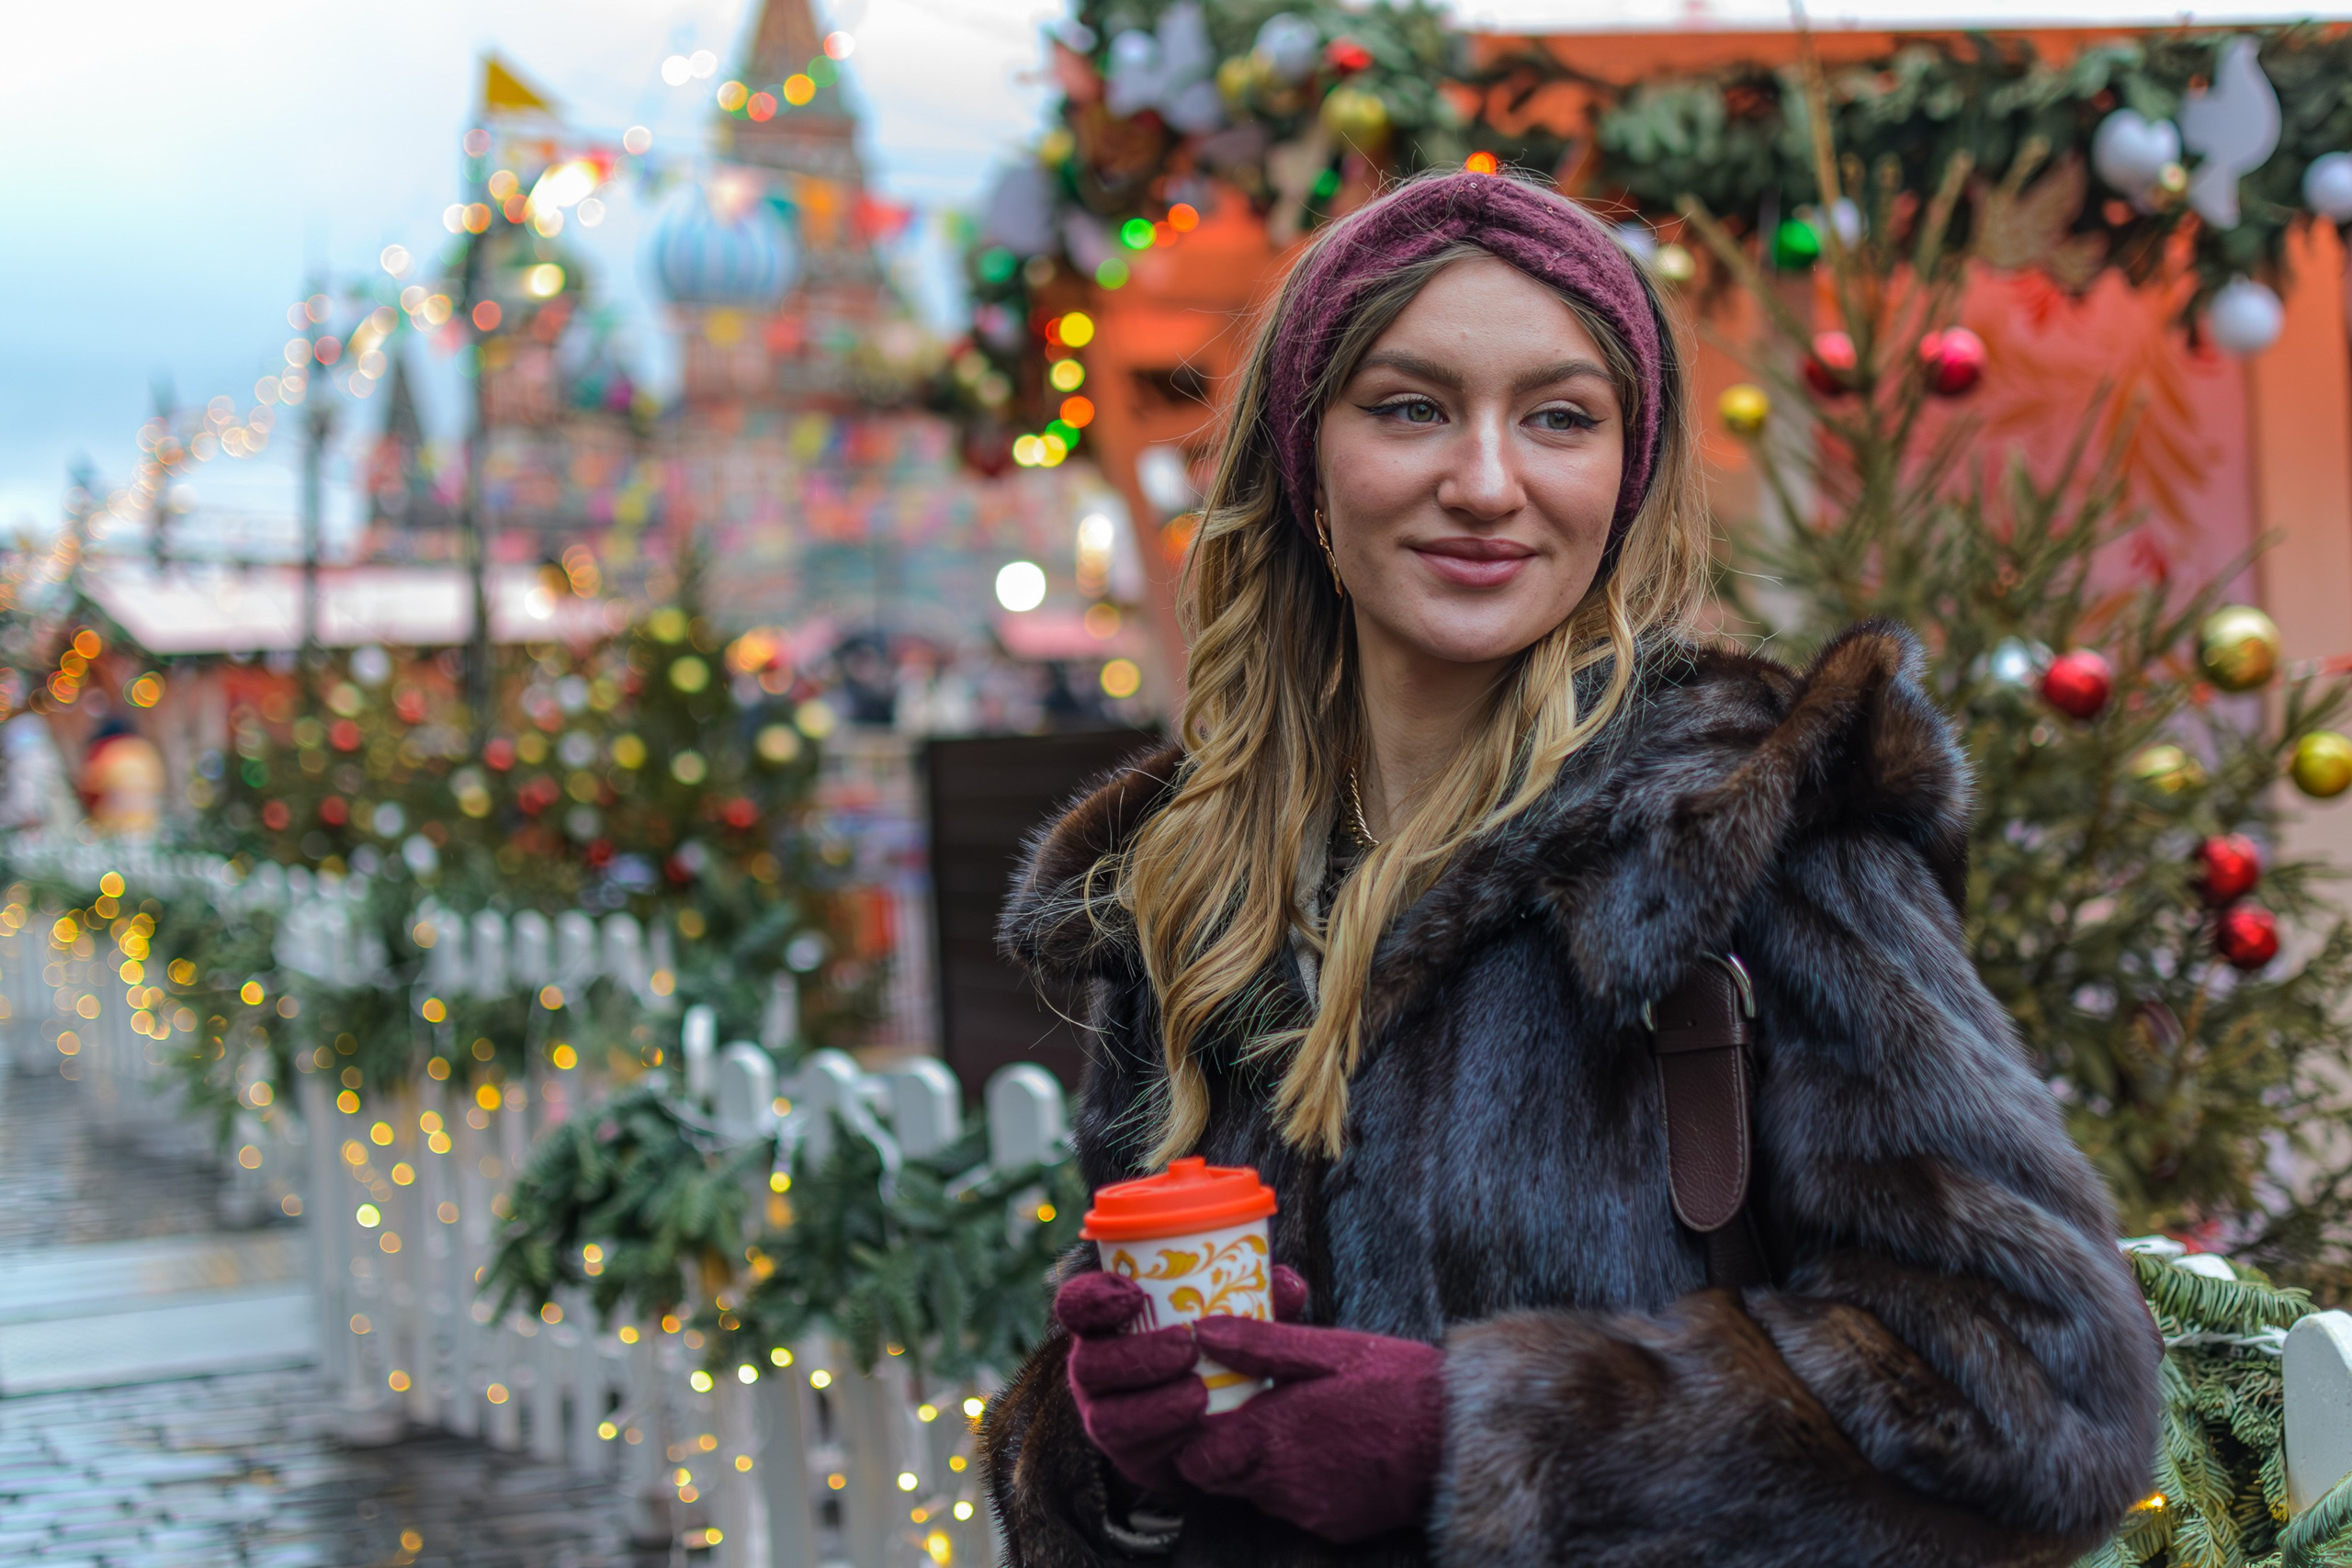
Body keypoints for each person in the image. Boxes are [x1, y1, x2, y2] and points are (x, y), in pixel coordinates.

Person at [981, 170, 2159, 1567]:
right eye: (1411, 407)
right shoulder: (1194, 886)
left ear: (1625, 471)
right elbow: (1106, 1423)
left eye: (1559, 418)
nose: (1486, 483)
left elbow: (2041, 1388)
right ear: (1304, 463)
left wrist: (1464, 1437)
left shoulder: (1739, 826)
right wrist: (1112, 1459)